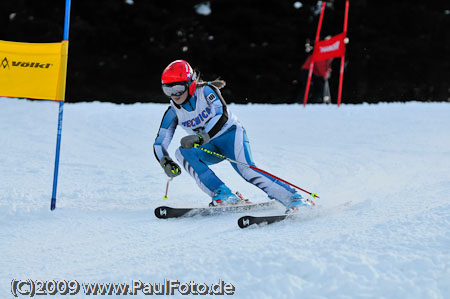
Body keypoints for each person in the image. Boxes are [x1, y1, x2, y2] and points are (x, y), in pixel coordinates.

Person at [153, 60, 311, 213]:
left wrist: (201, 137)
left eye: (178, 88)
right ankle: (223, 194)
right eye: (168, 90)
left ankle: (294, 198)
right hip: (209, 146)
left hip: (231, 136)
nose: (174, 95)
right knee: (182, 153)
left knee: (247, 170)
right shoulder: (173, 111)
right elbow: (160, 143)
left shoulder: (207, 91)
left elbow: (221, 115)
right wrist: (165, 161)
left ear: (190, 83)